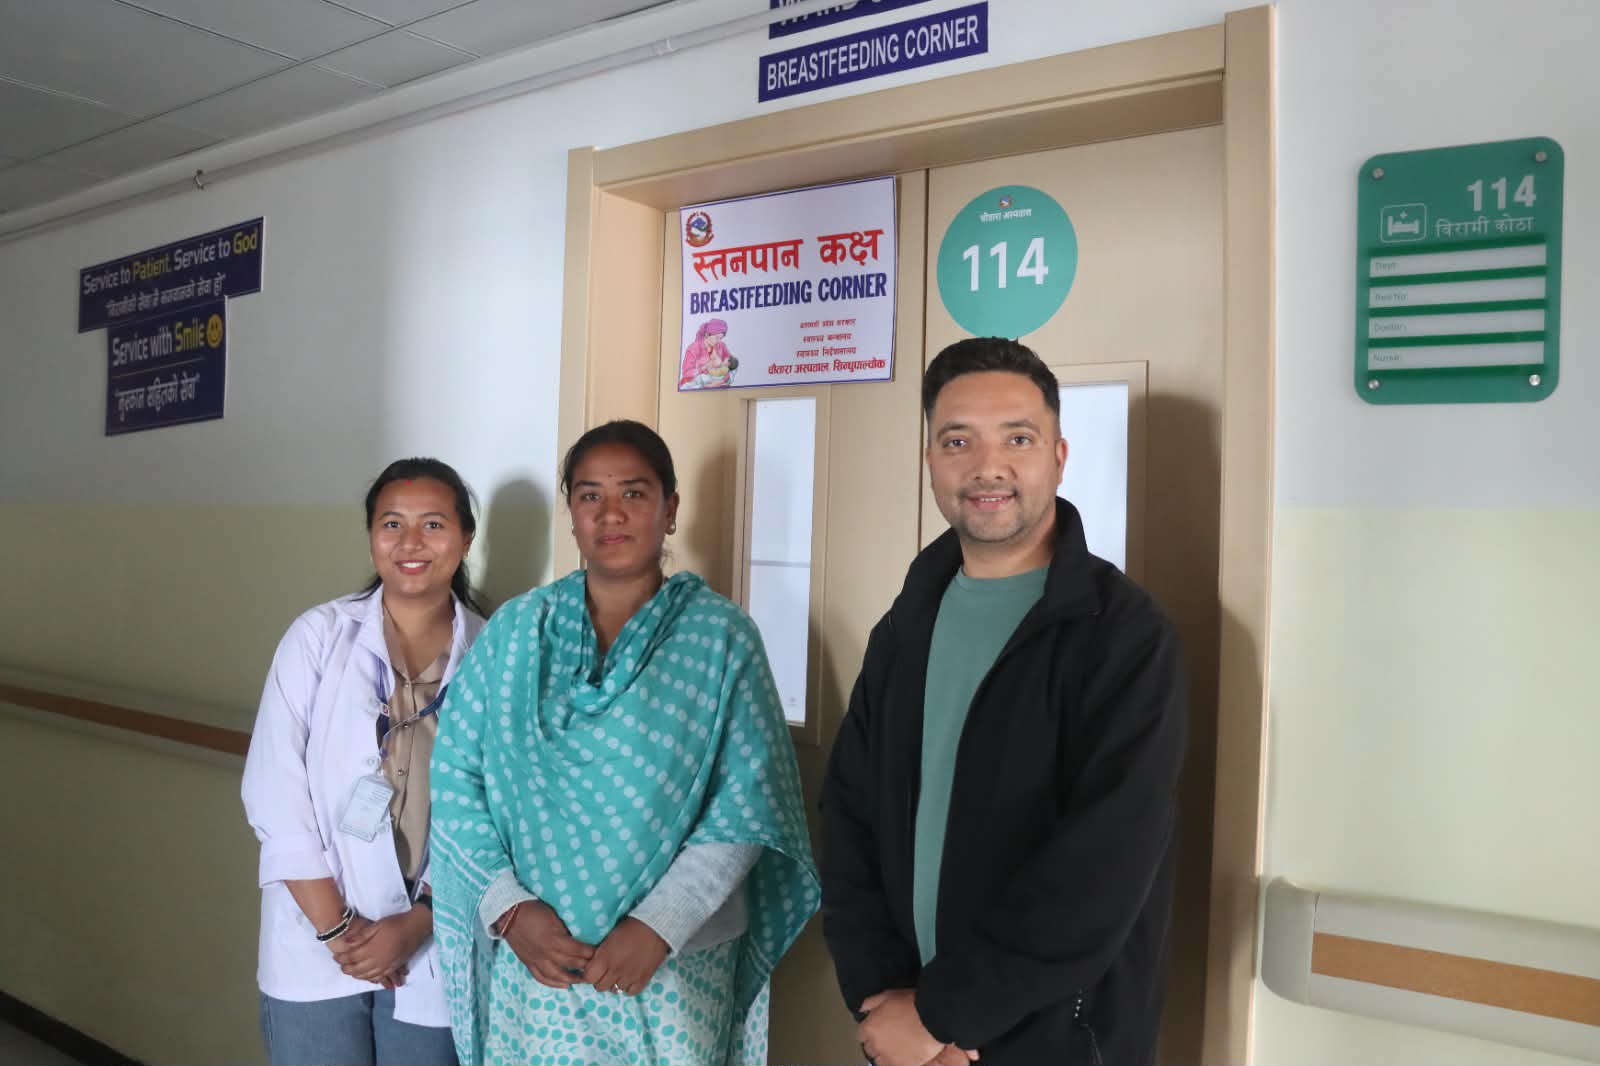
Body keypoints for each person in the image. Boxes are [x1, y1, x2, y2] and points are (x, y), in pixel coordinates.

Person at [819, 338, 1190, 1066]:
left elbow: (1102, 868)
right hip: (904, 1033)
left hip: (1054, 1043)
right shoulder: (907, 625)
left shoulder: (1124, 637)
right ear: (930, 460)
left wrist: (945, 1017)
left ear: (1058, 455)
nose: (987, 466)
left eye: (1017, 439)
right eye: (958, 441)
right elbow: (849, 817)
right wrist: (886, 1006)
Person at [430, 420, 818, 1066]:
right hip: (539, 964)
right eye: (590, 495)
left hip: (673, 965)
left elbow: (747, 806)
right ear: (572, 512)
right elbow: (455, 781)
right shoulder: (517, 631)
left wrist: (660, 925)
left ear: (671, 509)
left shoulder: (722, 638)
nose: (610, 514)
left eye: (633, 493)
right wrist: (509, 910)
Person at [242, 458, 489, 1065]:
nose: (411, 542)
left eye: (433, 524)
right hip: (316, 938)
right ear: (371, 536)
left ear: (466, 539)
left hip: (435, 940)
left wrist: (421, 922)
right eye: (392, 523)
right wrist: (338, 932)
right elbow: (275, 793)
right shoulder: (318, 636)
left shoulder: (493, 651)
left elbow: (497, 811)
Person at [679, 319, 738, 388]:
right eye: (716, 338)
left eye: (721, 338)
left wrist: (721, 381)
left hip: (715, 385)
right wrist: (705, 367)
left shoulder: (721, 346)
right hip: (693, 386)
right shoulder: (693, 349)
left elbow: (732, 366)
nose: (718, 341)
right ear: (707, 335)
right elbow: (686, 373)